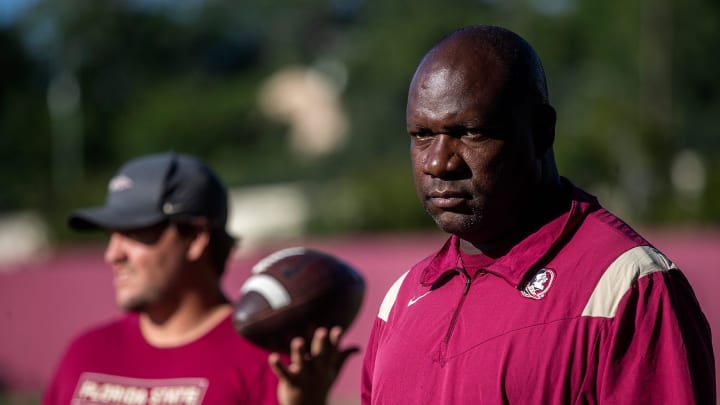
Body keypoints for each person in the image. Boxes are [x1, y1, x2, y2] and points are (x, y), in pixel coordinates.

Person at [359, 25, 716, 404]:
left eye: (469, 132)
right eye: (422, 134)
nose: (438, 162)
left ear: (541, 132)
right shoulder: (401, 300)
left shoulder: (628, 287)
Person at [43, 151, 351, 405]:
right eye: (110, 236)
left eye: (134, 233)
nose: (113, 255)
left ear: (196, 238)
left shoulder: (268, 362)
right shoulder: (84, 352)